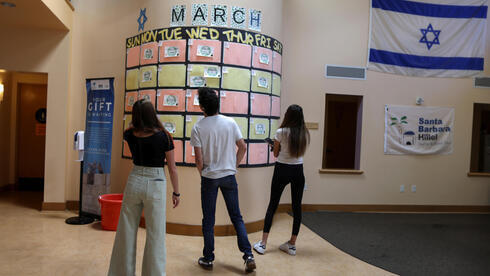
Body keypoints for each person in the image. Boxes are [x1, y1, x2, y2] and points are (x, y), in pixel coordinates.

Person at [108, 99, 180, 276]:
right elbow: (172, 168)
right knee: (155, 235)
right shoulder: (164, 136)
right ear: (152, 114)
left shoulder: (129, 134)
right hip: (156, 182)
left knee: (126, 231)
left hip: (134, 180)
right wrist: (176, 192)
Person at [190, 87, 256, 273]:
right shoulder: (230, 122)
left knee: (208, 220)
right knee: (237, 217)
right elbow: (242, 147)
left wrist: (203, 173)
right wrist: (233, 165)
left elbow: (198, 160)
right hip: (228, 176)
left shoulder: (198, 127)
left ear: (202, 107)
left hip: (209, 178)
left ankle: (208, 258)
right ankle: (248, 255)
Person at [253, 104, 310, 256]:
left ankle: (263, 244)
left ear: (288, 116)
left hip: (282, 170)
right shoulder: (304, 133)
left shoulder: (281, 132)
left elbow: (276, 154)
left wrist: (273, 146)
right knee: (297, 207)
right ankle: (292, 245)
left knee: (273, 205)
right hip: (298, 170)